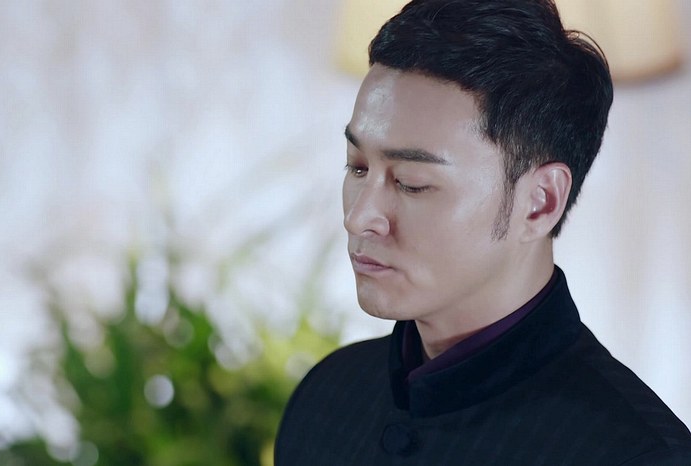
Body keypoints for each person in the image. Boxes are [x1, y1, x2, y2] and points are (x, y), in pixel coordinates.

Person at [274, 0, 691, 464]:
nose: (359, 217)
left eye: (411, 182)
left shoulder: (636, 454)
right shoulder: (327, 397)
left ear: (540, 202)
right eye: (357, 167)